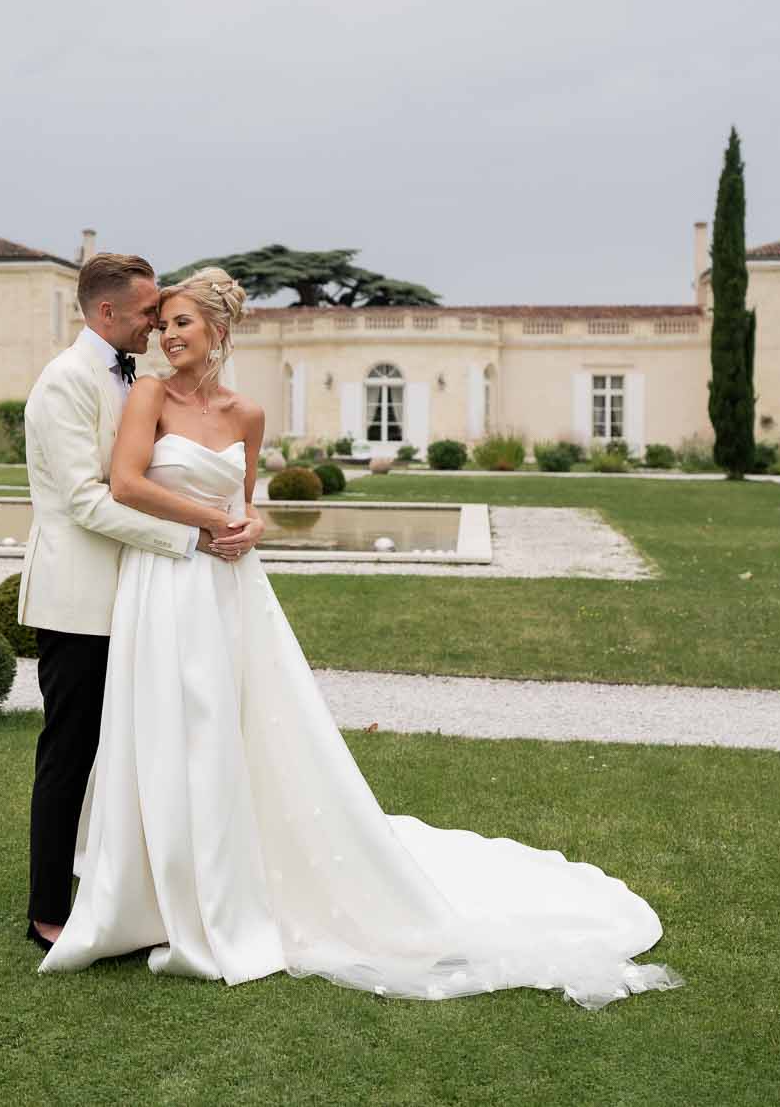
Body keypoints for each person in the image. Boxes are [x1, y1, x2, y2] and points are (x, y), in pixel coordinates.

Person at [35, 266, 681, 1008]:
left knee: (228, 727)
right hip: (164, 582)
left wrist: (251, 524)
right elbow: (123, 485)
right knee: (165, 725)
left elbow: (246, 501)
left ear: (218, 331)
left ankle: (220, 884)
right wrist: (211, 524)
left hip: (225, 589)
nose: (166, 333)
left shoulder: (246, 413)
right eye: (163, 320)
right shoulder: (146, 392)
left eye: (180, 321)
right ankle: (157, 893)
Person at [17, 252, 264, 952]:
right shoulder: (64, 382)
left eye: (166, 312)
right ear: (105, 313)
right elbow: (87, 499)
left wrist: (243, 519)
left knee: (142, 745)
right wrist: (192, 536)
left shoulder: (143, 379)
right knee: (70, 750)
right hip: (81, 597)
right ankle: (46, 908)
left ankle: (138, 885)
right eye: (148, 312)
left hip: (144, 594)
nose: (157, 323)